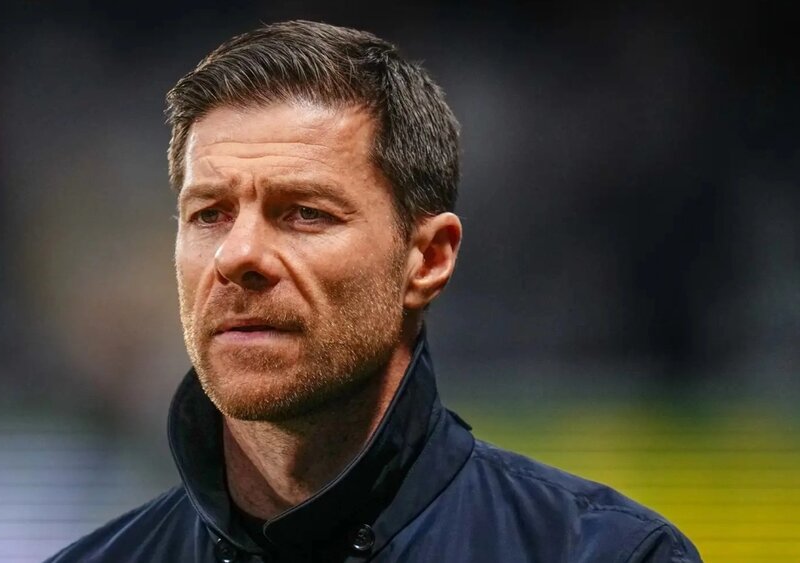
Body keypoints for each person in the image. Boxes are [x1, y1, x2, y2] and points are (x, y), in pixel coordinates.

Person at [47, 20, 700, 563]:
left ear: (428, 259)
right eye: (209, 213)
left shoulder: (608, 554)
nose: (238, 254)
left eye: (305, 212)